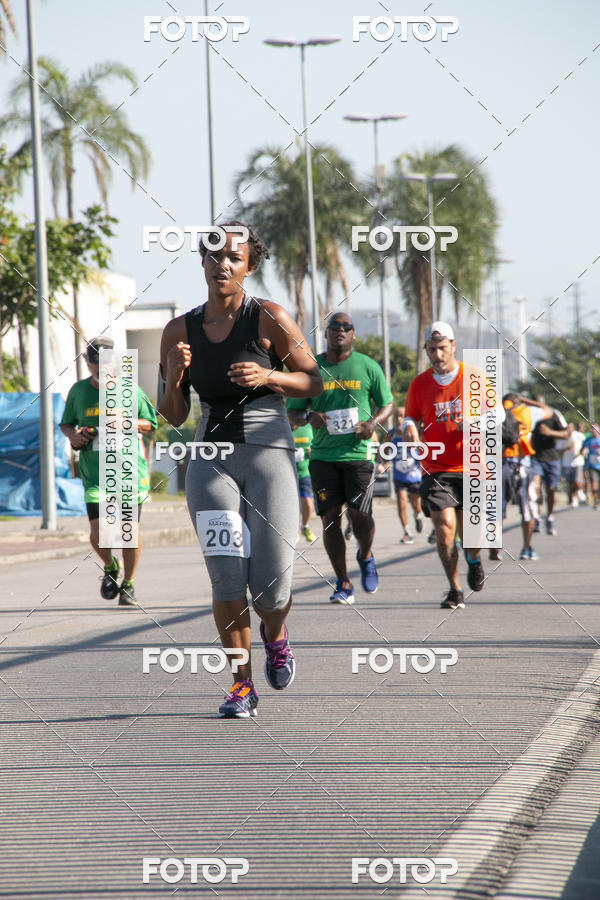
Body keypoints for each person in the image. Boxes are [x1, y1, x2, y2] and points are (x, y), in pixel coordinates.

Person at [158, 223, 322, 718]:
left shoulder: (268, 317)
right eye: (214, 257)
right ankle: (241, 685)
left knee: (272, 587)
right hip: (210, 460)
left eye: (234, 257)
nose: (222, 264)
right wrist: (173, 375)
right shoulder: (179, 331)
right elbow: (173, 415)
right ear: (202, 265)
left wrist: (269, 374)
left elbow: (315, 380)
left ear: (249, 265)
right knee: (227, 580)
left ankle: (276, 633)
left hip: (270, 455)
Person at [287, 312, 393, 605]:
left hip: (358, 455)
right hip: (322, 457)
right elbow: (292, 411)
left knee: (360, 516)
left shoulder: (367, 367)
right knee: (331, 519)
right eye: (335, 327)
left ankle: (365, 554)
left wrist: (372, 425)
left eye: (348, 327)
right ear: (327, 333)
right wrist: (309, 416)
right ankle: (343, 582)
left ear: (354, 334)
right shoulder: (313, 368)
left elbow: (387, 404)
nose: (341, 331)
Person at [59, 336, 157, 606]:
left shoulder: (129, 390)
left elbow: (150, 423)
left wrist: (126, 422)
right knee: (98, 528)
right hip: (95, 473)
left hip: (127, 473)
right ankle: (111, 566)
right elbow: (66, 424)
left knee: (129, 532)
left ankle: (129, 584)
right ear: (88, 363)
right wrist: (74, 436)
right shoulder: (79, 392)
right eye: (94, 363)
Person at [403, 321, 484, 610]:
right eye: (431, 349)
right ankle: (455, 589)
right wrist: (409, 427)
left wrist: (475, 422)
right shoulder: (419, 384)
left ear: (453, 346)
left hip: (473, 467)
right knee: (445, 528)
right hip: (435, 468)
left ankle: (474, 560)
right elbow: (410, 416)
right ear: (426, 350)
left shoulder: (473, 377)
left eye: (442, 348)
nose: (437, 355)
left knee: (471, 535)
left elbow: (496, 414)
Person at [501, 393, 551, 561]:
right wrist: (526, 400)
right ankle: (526, 547)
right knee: (527, 508)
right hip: (523, 463)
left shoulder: (496, 411)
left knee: (497, 508)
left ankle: (494, 548)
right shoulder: (528, 411)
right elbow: (547, 410)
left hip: (499, 463)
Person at [380, 406, 424, 544]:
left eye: (402, 416)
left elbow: (424, 448)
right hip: (399, 476)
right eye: (396, 416)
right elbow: (385, 450)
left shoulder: (414, 432)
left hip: (414, 475)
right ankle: (407, 531)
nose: (399, 419)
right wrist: (385, 462)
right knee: (401, 502)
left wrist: (422, 461)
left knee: (416, 503)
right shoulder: (391, 434)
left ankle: (418, 514)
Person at [530, 399, 573, 535]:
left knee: (550, 490)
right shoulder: (530, 417)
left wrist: (550, 432)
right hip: (536, 458)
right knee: (536, 488)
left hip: (552, 459)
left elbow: (567, 434)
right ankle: (537, 517)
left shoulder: (554, 416)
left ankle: (549, 517)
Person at [289, 415, 317, 542]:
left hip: (305, 471)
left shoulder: (308, 428)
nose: (292, 425)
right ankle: (292, 530)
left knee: (307, 502)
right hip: (288, 472)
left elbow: (316, 443)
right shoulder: (282, 429)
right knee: (291, 503)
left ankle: (305, 527)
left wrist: (313, 450)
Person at [560, 421, 586, 507]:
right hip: (567, 463)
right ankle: (573, 498)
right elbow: (558, 450)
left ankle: (579, 490)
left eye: (570, 427)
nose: (569, 429)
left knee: (577, 481)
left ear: (573, 428)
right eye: (567, 427)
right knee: (570, 483)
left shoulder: (578, 435)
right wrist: (567, 448)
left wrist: (583, 452)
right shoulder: (562, 437)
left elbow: (586, 445)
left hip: (577, 461)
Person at [582, 423, 600, 509]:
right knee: (594, 483)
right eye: (592, 429)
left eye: (595, 429)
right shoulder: (588, 440)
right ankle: (596, 501)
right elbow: (583, 449)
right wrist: (583, 450)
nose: (593, 431)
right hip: (593, 465)